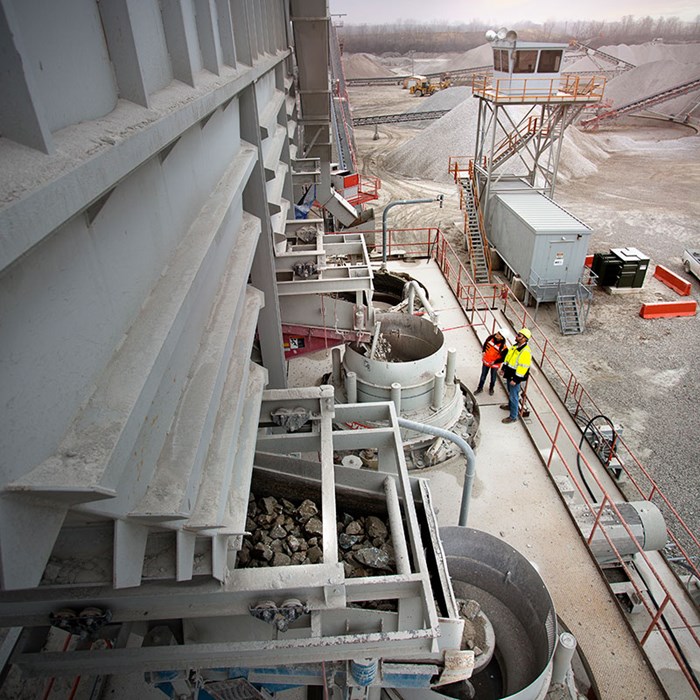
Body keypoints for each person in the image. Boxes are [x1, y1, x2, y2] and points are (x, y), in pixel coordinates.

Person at [500, 328, 532, 424]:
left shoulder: (525, 352)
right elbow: (508, 358)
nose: (516, 336)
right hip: (510, 374)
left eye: (519, 335)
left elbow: (523, 368)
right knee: (510, 392)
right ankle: (510, 406)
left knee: (514, 396)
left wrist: (516, 380)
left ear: (524, 339)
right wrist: (503, 368)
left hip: (515, 377)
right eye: (517, 334)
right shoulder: (515, 346)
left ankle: (513, 416)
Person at [475, 328, 507, 396]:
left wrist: (494, 362)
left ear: (502, 338)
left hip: (494, 365)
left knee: (493, 378)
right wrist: (483, 351)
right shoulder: (490, 338)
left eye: (499, 334)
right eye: (498, 332)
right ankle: (480, 388)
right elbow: (485, 344)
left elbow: (503, 358)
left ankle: (491, 388)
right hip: (486, 362)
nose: (497, 334)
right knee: (483, 376)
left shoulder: (504, 348)